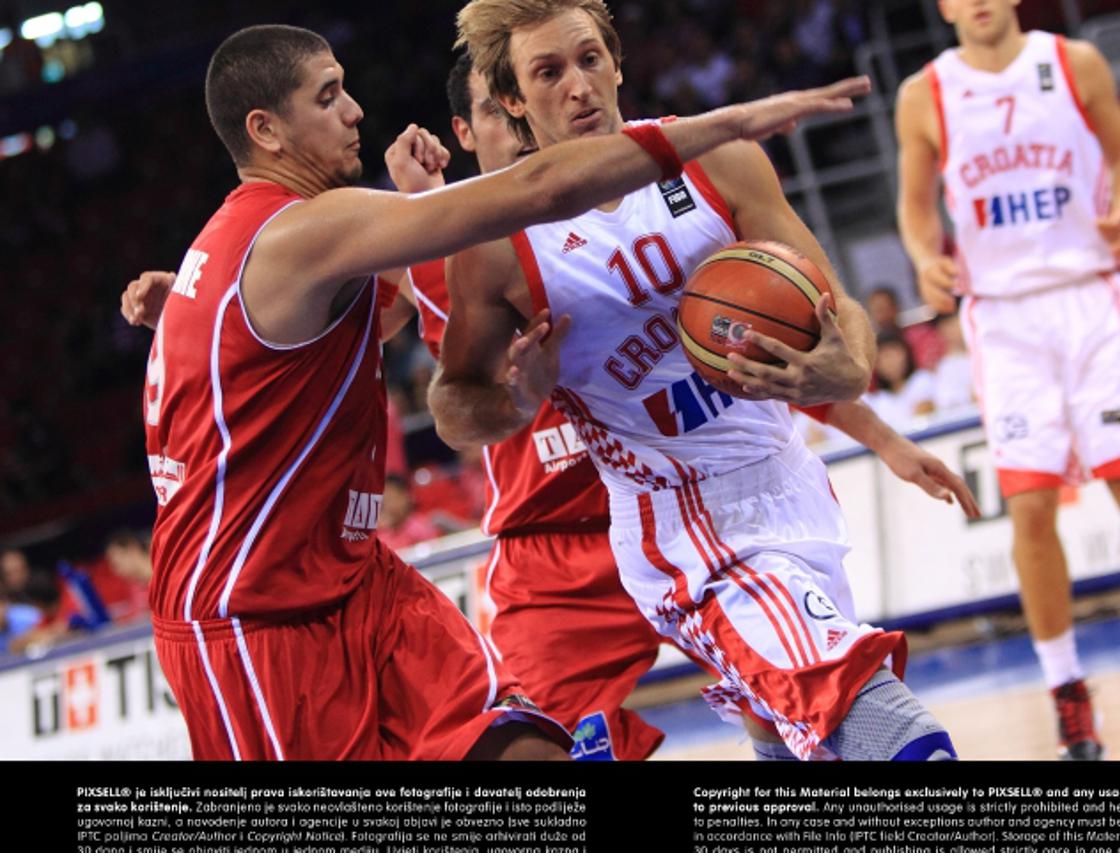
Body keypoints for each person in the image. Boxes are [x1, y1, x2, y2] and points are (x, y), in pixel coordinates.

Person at [125, 50, 979, 762]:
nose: (356, 110)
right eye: (328, 97)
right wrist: (724, 123)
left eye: (586, 64)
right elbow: (481, 308)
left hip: (379, 574)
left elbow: (759, 348)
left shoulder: (305, 247)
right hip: (279, 604)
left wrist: (880, 432)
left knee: (535, 749)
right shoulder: (413, 240)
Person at [438, 0, 959, 762]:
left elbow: (833, 302)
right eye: (548, 73)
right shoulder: (496, 243)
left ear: (616, 62)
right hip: (682, 526)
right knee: (899, 736)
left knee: (799, 741)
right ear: (514, 101)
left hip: (791, 480)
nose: (578, 86)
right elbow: (453, 405)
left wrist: (844, 361)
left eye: (589, 60)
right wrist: (519, 396)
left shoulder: (718, 160)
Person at [895, 0, 1120, 758]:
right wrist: (926, 257)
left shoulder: (1075, 62)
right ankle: (1067, 693)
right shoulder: (924, 92)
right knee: (1030, 507)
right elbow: (913, 206)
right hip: (1003, 319)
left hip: (1087, 297)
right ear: (943, 5)